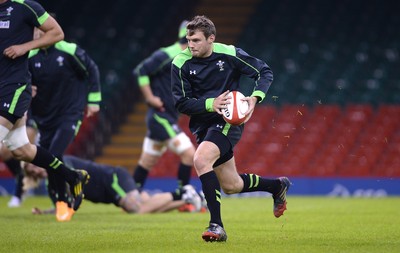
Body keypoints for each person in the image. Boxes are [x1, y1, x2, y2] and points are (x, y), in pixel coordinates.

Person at [171, 15, 291, 242]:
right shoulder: (180, 63)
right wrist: (210, 104)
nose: (191, 45)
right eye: (188, 40)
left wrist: (255, 98)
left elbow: (264, 71)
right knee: (231, 185)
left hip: (228, 121)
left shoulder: (229, 54)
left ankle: (216, 226)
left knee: (201, 159)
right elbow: (180, 102)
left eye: (196, 40)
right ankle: (277, 186)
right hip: (201, 125)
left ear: (211, 39)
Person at [0, 0, 88, 214]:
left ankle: (30, 196)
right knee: (22, 150)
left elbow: (56, 33)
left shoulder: (26, 6)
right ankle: (73, 176)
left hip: (13, 88)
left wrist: (25, 47)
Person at [28, 23, 102, 221]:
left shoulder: (69, 50)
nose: (38, 34)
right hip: (44, 118)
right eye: (36, 31)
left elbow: (92, 69)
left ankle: (62, 202)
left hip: (70, 113)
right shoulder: (29, 56)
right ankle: (66, 193)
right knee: (48, 160)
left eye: (42, 31)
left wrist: (94, 100)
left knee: (54, 154)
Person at [25, 155, 204, 218]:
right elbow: (63, 207)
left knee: (137, 209)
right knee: (147, 206)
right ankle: (189, 198)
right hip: (109, 192)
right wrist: (46, 213)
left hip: (113, 179)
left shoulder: (62, 162)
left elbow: (74, 180)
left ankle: (182, 193)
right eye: (30, 171)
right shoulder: (52, 185)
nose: (34, 171)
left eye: (33, 165)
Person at [132, 21, 196, 197]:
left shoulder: (188, 60)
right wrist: (150, 98)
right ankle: (183, 196)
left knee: (147, 161)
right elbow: (140, 71)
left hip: (167, 116)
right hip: (160, 116)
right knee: (190, 154)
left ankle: (130, 196)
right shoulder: (168, 53)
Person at [0, 113, 37, 207]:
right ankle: (21, 177)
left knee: (26, 152)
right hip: (16, 109)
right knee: (4, 152)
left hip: (35, 113)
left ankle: (19, 193)